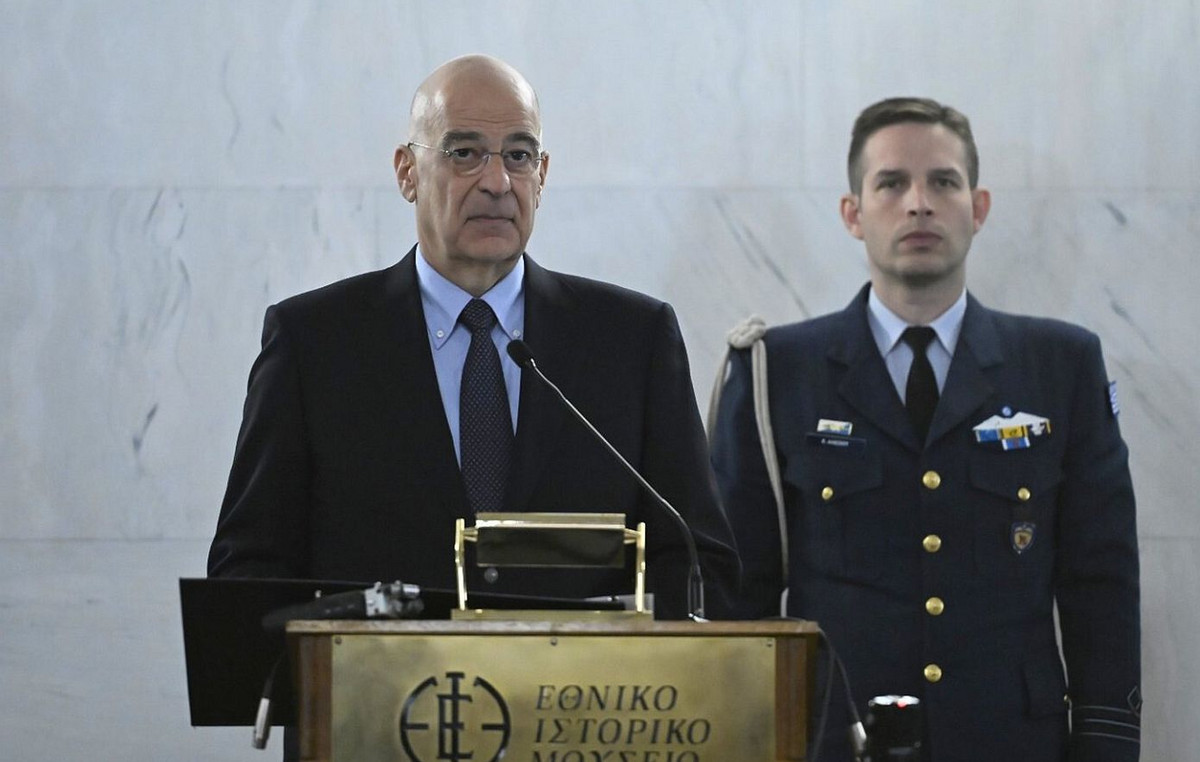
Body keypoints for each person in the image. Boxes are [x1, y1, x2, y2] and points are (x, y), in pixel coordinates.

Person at [208, 54, 739, 622]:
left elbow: (697, 561)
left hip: (580, 679)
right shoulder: (315, 343)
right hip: (382, 678)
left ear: (542, 174)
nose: (497, 182)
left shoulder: (632, 341)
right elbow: (251, 571)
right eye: (464, 153)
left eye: (518, 155)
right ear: (407, 172)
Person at [710, 97, 1140, 761]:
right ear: (853, 213)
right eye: (891, 183)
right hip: (833, 741)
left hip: (1010, 743)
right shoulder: (776, 371)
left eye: (943, 181)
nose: (918, 204)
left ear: (979, 207)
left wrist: (1105, 745)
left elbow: (1100, 585)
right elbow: (740, 596)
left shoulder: (1059, 367)